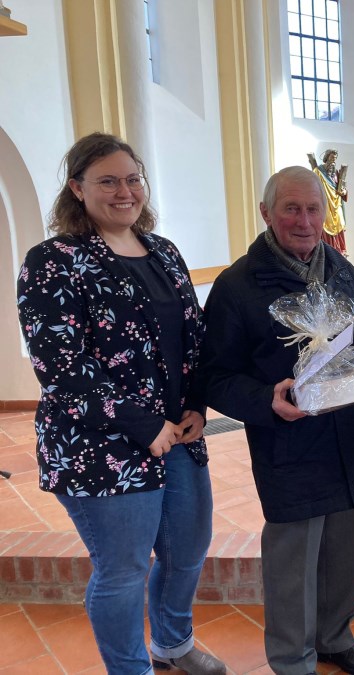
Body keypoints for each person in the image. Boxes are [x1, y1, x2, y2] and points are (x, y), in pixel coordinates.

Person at [16, 133, 223, 675]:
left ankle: (172, 644)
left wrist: (196, 404)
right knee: (124, 569)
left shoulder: (164, 251)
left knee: (186, 550)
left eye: (132, 178)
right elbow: (59, 365)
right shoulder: (53, 260)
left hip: (176, 435)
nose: (124, 191)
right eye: (107, 180)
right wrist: (138, 421)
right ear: (76, 188)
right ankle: (130, 670)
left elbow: (193, 339)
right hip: (98, 446)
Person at [200, 166, 354, 675]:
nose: (305, 221)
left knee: (344, 552)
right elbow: (215, 376)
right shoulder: (237, 285)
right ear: (266, 213)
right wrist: (266, 399)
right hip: (291, 443)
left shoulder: (342, 269)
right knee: (293, 561)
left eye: (314, 209)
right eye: (291, 208)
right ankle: (292, 660)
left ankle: (335, 637)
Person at [307, 149, 348, 254]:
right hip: (324, 206)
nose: (333, 161)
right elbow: (312, 188)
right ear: (326, 158)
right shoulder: (318, 172)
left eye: (335, 158)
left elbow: (343, 188)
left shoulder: (337, 174)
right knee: (325, 226)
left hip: (336, 205)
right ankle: (327, 251)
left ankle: (339, 251)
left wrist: (343, 192)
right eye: (331, 158)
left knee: (339, 225)